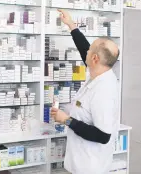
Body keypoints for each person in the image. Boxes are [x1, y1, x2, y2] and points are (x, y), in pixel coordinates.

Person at [50, 9, 120, 174]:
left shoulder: (104, 90)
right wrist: (71, 25)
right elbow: (85, 50)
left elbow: (103, 136)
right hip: (81, 162)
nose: (86, 52)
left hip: (90, 166)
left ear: (95, 59)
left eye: (90, 51)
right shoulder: (100, 72)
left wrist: (66, 120)